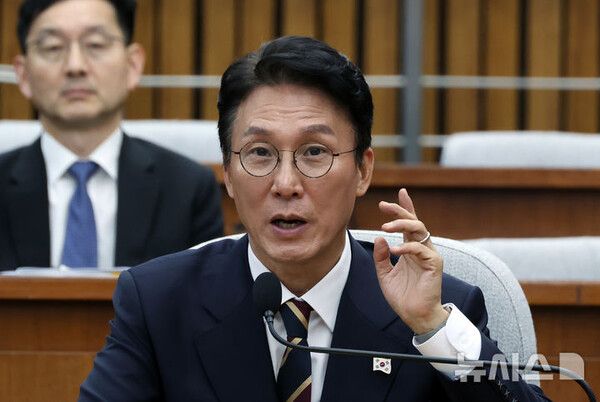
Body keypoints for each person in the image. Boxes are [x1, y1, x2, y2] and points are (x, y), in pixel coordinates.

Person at [79, 36, 549, 401]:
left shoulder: (439, 306)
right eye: (260, 153)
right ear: (228, 173)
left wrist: (432, 328)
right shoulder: (159, 302)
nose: (286, 183)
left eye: (314, 152)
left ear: (363, 171)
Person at [0, 0, 223, 270]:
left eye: (95, 45)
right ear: (23, 74)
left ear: (132, 65)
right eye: (53, 47)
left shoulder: (188, 189)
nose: (75, 66)